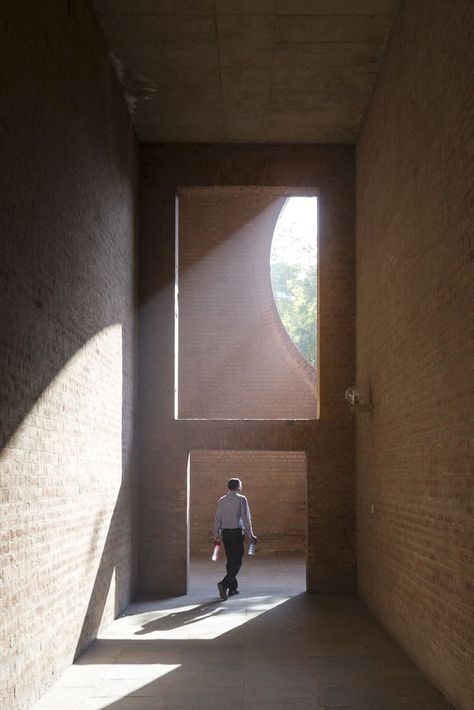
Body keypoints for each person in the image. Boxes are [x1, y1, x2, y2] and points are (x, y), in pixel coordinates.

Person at [213, 478, 257, 600]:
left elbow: (218, 518)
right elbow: (246, 519)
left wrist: (215, 534)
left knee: (230, 560)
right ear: (238, 487)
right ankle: (224, 583)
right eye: (241, 485)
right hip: (237, 533)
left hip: (225, 534)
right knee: (237, 562)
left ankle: (232, 589)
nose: (241, 487)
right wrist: (250, 534)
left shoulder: (221, 500)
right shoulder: (241, 499)